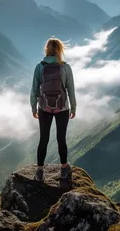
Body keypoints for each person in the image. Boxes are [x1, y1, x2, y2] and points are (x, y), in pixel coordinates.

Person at [30, 37, 76, 181]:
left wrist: (33, 107)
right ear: (60, 50)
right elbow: (71, 90)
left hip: (44, 107)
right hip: (62, 108)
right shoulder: (65, 67)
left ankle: (39, 171)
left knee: (43, 138)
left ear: (46, 50)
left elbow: (34, 90)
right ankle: (63, 168)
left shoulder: (40, 67)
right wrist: (73, 107)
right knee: (61, 138)